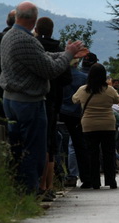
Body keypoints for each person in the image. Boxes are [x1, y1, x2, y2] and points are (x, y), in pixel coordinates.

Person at [0, 1, 85, 194]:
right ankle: (30, 189)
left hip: (11, 99)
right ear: (34, 20)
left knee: (17, 147)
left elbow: (43, 56)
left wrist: (65, 53)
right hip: (28, 102)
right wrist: (69, 55)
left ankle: (20, 188)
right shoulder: (25, 40)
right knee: (34, 149)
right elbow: (50, 69)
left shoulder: (10, 36)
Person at [35, 16, 73, 200]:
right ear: (51, 30)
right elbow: (67, 79)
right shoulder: (59, 50)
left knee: (38, 141)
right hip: (54, 101)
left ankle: (38, 185)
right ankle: (48, 186)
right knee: (50, 143)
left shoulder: (34, 47)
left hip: (34, 99)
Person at [73, 63, 119, 189]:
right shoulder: (110, 90)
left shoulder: (83, 90)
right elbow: (117, 100)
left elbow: (74, 100)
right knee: (109, 153)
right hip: (108, 124)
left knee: (92, 154)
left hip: (89, 125)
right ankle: (111, 180)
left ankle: (95, 182)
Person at [59, 59, 92, 188]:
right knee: (80, 146)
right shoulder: (83, 78)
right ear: (76, 63)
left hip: (62, 113)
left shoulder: (60, 77)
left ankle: (65, 175)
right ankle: (86, 177)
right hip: (78, 114)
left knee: (62, 146)